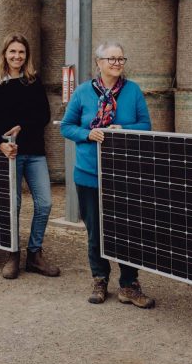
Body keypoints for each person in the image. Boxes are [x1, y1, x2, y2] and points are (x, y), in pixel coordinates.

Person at [60, 41, 155, 308]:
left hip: (123, 174)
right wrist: (88, 133)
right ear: (99, 63)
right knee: (96, 231)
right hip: (89, 174)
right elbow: (66, 127)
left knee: (127, 229)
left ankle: (129, 284)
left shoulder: (133, 91)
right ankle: (100, 278)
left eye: (120, 59)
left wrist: (122, 127)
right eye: (111, 59)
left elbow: (146, 125)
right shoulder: (82, 93)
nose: (116, 63)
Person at [0, 33, 60, 279]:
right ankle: (12, 253)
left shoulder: (33, 82)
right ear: (4, 54)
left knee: (45, 203)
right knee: (13, 205)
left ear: (27, 56)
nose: (17, 56)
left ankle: (34, 254)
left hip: (34, 152)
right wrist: (0, 145)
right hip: (9, 154)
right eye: (13, 52)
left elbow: (44, 115)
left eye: (21, 52)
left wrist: (22, 126)